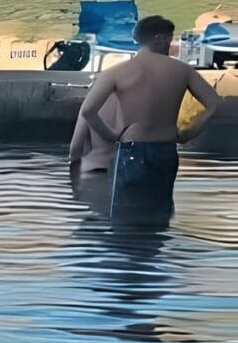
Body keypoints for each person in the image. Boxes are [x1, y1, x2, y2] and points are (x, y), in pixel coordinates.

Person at [69, 15, 220, 206]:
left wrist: (111, 135)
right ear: (160, 39)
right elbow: (213, 103)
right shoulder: (183, 70)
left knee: (126, 212)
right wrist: (191, 131)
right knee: (159, 210)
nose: (171, 44)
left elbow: (88, 111)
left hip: (131, 149)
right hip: (166, 149)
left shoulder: (115, 72)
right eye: (170, 38)